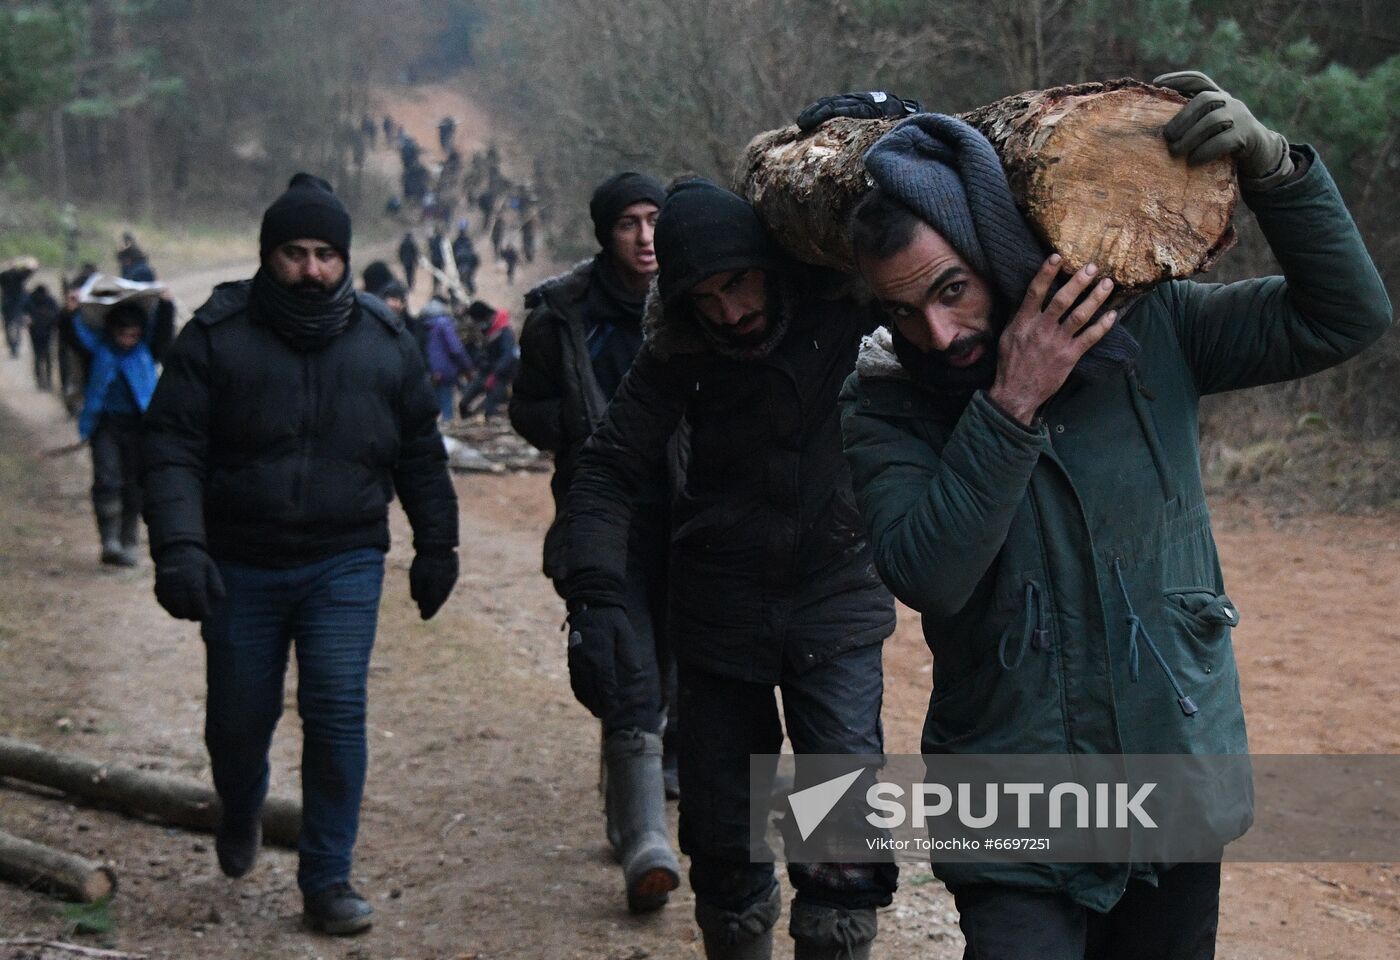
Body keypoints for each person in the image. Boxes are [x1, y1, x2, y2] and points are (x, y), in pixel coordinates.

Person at [835, 73, 1392, 960]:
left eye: (952, 291)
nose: (936, 335)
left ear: (995, 248)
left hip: (1169, 764)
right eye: (903, 311)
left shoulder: (1147, 332)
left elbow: (1345, 317)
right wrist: (1009, 403)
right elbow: (930, 573)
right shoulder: (887, 401)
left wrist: (1278, 170)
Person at [561, 178, 899, 958]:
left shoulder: (846, 309)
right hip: (718, 615)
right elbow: (606, 468)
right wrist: (596, 594)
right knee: (724, 838)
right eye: (706, 297)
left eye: (739, 285)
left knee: (841, 837)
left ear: (769, 266)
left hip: (836, 601)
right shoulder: (680, 351)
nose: (731, 313)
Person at [141, 172, 460, 936]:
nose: (312, 270)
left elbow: (420, 450)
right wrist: (181, 547)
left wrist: (437, 542)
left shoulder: (385, 342)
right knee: (238, 722)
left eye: (326, 254)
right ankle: (241, 803)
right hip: (238, 563)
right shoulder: (216, 336)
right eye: (294, 253)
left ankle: (326, 877)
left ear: (346, 259)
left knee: (336, 710)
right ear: (266, 255)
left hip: (344, 559)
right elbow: (172, 447)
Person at [510, 171, 688, 913]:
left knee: (675, 664)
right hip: (601, 514)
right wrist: (586, 432)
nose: (645, 238)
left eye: (654, 221)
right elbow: (526, 409)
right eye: (629, 224)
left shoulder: (696, 297)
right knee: (624, 664)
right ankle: (647, 842)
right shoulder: (562, 315)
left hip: (685, 512)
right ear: (604, 233)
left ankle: (643, 788)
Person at [71, 286, 174, 565]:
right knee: (107, 480)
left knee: (134, 484)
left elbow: (164, 332)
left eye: (134, 335)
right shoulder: (97, 351)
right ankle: (109, 540)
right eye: (123, 335)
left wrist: (166, 305)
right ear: (112, 331)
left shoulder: (146, 351)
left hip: (141, 425)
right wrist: (70, 311)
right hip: (105, 425)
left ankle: (129, 540)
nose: (129, 340)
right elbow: (74, 335)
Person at [457, 300, 518, 420]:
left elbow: (507, 356)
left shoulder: (504, 332)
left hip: (500, 376)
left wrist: (494, 375)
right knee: (463, 404)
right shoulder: (483, 332)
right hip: (484, 372)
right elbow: (480, 353)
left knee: (490, 409)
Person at [423, 298, 475, 422]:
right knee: (447, 403)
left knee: (434, 403)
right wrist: (467, 366)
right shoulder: (444, 323)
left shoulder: (425, 325)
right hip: (446, 370)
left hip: (430, 370)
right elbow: (456, 348)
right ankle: (447, 427)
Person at [23, 283, 61, 390]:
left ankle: (40, 381)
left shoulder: (30, 300)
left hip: (35, 332)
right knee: (48, 356)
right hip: (47, 331)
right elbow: (57, 314)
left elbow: (25, 314)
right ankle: (48, 380)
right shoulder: (50, 300)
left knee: (37, 356)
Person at [1, 256, 37, 359]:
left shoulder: (4, 275)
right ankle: (15, 347)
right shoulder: (19, 275)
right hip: (17, 304)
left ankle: (12, 346)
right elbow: (30, 271)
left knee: (8, 326)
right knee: (16, 326)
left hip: (7, 303)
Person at [451, 223, 479, 296]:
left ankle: (469, 292)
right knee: (461, 279)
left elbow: (473, 254)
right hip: (461, 263)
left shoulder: (467, 241)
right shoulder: (458, 242)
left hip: (467, 263)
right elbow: (453, 253)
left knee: (467, 278)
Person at [427, 225, 447, 296]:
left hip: (435, 260)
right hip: (441, 260)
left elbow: (431, 248)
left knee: (435, 275)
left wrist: (429, 240)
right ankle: (439, 289)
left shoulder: (433, 239)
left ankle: (435, 289)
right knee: (440, 274)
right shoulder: (443, 240)